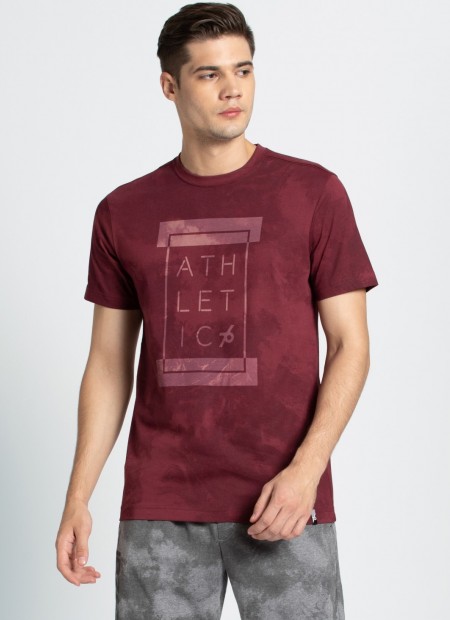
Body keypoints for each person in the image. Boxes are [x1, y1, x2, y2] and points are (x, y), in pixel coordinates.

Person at [55, 3, 379, 619]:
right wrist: (78, 496)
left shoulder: (313, 193)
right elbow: (108, 363)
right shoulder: (123, 212)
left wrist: (306, 471)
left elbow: (349, 346)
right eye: (209, 74)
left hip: (284, 499)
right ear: (169, 86)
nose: (233, 89)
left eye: (243, 70)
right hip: (161, 502)